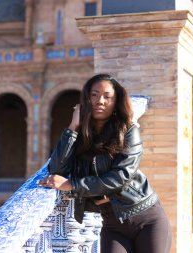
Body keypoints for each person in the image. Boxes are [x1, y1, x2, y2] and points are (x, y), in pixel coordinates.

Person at [38, 74, 171, 253]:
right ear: (86, 99)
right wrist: (73, 127)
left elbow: (120, 177)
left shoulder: (128, 131)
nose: (100, 101)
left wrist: (72, 184)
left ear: (116, 102)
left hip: (146, 218)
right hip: (112, 225)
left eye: (107, 96)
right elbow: (56, 170)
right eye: (94, 95)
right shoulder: (79, 135)